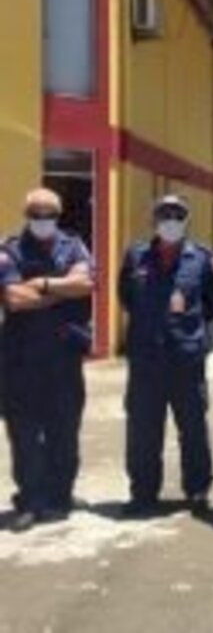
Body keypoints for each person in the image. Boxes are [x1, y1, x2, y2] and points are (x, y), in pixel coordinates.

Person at [118, 195, 213, 516]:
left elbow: (211, 304)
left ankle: (198, 490)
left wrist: (187, 333)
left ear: (186, 221)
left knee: (193, 428)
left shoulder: (202, 259)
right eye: (165, 214)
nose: (171, 220)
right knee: (143, 430)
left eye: (178, 215)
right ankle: (143, 493)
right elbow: (126, 297)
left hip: (185, 360)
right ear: (155, 220)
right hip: (146, 359)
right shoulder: (135, 257)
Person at [0, 189, 95, 532]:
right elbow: (13, 298)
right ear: (27, 214)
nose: (43, 219)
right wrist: (60, 291)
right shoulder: (9, 249)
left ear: (59, 215)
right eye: (36, 213)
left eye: (49, 213)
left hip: (64, 359)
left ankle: (61, 495)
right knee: (25, 434)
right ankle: (30, 500)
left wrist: (39, 284)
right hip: (21, 361)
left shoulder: (74, 246)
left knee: (65, 431)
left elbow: (85, 283)